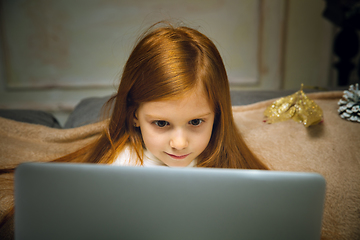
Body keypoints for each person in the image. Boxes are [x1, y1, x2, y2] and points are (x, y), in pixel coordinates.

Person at [0, 21, 268, 233]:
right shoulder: (119, 169)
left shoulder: (230, 167)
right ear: (134, 114)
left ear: (218, 116)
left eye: (196, 122)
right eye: (161, 123)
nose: (179, 143)